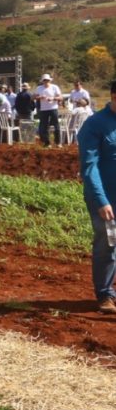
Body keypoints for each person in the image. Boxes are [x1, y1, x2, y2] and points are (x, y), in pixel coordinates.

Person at [76, 79, 116, 314]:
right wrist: (101, 200)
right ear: (113, 96)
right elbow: (89, 167)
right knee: (108, 244)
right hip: (105, 198)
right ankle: (105, 295)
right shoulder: (95, 124)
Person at [35, 73, 63, 147]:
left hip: (53, 108)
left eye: (47, 80)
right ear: (42, 81)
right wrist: (40, 97)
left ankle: (58, 142)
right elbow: (34, 97)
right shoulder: (39, 88)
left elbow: (60, 97)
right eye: (44, 80)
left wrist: (53, 98)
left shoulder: (54, 87)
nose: (46, 81)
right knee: (44, 126)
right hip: (44, 109)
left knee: (56, 125)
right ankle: (47, 143)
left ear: (50, 80)